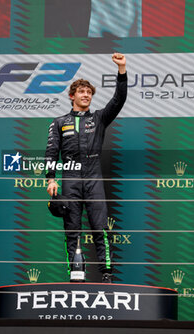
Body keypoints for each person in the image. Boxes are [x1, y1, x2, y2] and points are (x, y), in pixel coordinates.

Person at [45, 53, 127, 283]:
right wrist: (51, 179)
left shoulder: (99, 118)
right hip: (70, 179)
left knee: (100, 228)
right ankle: (76, 272)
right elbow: (51, 152)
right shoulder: (59, 122)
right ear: (72, 96)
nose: (86, 95)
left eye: (89, 93)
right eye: (82, 92)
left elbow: (118, 100)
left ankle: (106, 273)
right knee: (72, 229)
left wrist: (122, 70)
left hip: (93, 178)